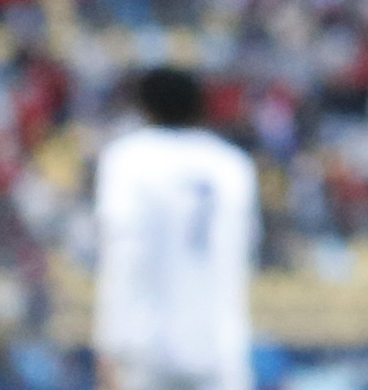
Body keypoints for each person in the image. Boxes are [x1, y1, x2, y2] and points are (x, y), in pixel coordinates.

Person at [90, 66, 255, 390]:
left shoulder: (129, 159)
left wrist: (108, 344)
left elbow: (123, 253)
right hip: (219, 344)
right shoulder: (232, 165)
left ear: (145, 107)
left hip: (147, 345)